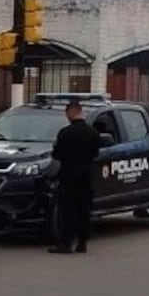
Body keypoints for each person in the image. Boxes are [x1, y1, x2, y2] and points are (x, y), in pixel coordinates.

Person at [49, 101, 100, 254]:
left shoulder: (65, 132)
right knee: (84, 208)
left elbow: (57, 154)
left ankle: (66, 243)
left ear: (71, 113)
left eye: (67, 114)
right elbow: (95, 153)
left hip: (69, 174)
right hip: (86, 173)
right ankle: (82, 243)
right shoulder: (93, 132)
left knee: (68, 208)